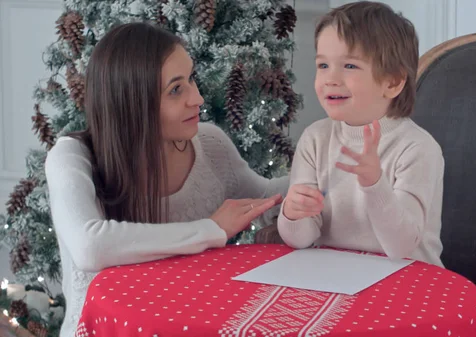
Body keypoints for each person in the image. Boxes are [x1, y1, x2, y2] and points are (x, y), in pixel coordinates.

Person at [45, 22, 288, 337]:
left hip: (190, 326)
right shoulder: (73, 157)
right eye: (176, 89)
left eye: (191, 79)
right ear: (132, 102)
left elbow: (267, 199)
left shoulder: (210, 143)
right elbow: (91, 247)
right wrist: (211, 230)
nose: (197, 98)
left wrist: (329, 161)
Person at [277, 1, 444, 267]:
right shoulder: (315, 139)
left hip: (409, 281)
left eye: (350, 66)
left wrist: (374, 183)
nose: (331, 78)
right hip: (334, 277)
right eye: (323, 66)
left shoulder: (418, 148)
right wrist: (293, 214)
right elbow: (301, 240)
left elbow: (401, 246)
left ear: (392, 82)